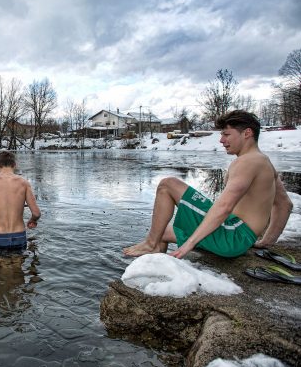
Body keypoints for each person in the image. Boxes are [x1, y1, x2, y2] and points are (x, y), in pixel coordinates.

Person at [123, 110, 293, 259]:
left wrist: (190, 243)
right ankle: (156, 258)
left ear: (247, 133)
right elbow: (285, 205)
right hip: (239, 237)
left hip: (232, 235)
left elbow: (224, 206)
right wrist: (266, 241)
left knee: (167, 185)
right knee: (162, 231)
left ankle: (150, 245)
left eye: (226, 134)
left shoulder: (247, 162)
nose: (221, 140)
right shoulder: (264, 162)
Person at [0, 151, 41, 250]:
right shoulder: (24, 183)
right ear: (14, 165)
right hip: (19, 235)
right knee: (19, 259)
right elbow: (36, 213)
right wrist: (33, 220)